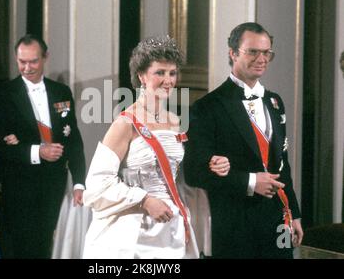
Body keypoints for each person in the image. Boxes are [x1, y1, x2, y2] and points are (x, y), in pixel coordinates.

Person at [82, 35, 229, 259]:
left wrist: (212, 164)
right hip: (133, 230)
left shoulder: (177, 122)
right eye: (159, 73)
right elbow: (96, 184)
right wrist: (145, 200)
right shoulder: (125, 123)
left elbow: (179, 175)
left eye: (172, 73)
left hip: (171, 227)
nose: (168, 80)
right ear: (141, 75)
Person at [184, 22, 304, 259]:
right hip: (235, 226)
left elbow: (283, 164)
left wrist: (294, 212)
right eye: (253, 51)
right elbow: (194, 172)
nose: (262, 59)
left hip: (277, 220)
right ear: (233, 53)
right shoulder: (207, 107)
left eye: (266, 52)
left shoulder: (274, 101)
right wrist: (250, 182)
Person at [0, 34, 86, 259]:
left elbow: (72, 140)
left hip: (54, 186)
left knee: (46, 248)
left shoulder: (61, 92)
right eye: (21, 62)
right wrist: (37, 151)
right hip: (19, 189)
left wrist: (79, 182)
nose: (27, 67)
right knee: (21, 250)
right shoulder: (4, 94)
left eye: (33, 61)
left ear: (45, 58)